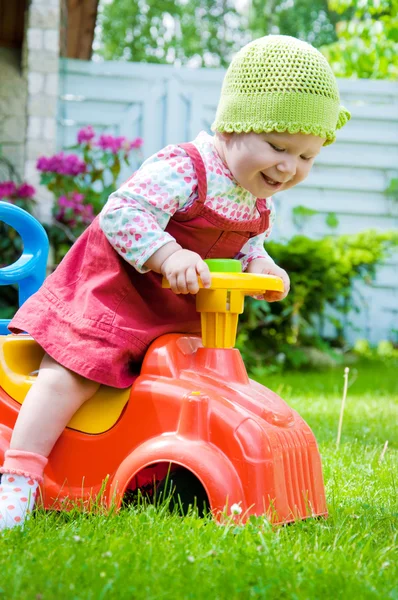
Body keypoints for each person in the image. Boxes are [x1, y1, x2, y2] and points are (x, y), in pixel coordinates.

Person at [0, 35, 350, 530]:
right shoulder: (186, 167)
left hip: (168, 322)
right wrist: (168, 253)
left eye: (308, 156)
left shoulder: (253, 196)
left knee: (180, 390)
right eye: (278, 147)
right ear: (233, 126)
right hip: (110, 302)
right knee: (72, 374)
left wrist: (261, 265)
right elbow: (123, 212)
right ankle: (19, 476)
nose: (290, 167)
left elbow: (244, 245)